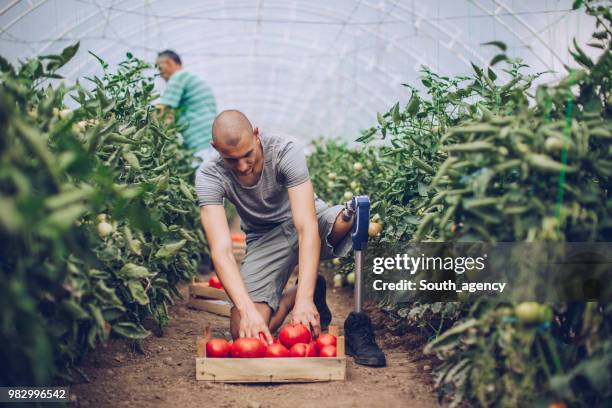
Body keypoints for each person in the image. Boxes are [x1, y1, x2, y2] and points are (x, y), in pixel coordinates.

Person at [195, 110, 386, 366]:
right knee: (244, 331)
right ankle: (297, 293)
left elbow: (306, 227)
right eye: (232, 160)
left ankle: (316, 290)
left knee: (347, 219)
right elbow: (221, 251)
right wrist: (247, 310)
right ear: (215, 148)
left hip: (308, 219)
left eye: (247, 154)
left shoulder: (285, 150)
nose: (242, 166)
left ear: (256, 134)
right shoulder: (209, 175)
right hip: (265, 238)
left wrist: (306, 304)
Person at [156, 50, 217, 163]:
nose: (160, 74)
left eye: (160, 68)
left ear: (169, 63)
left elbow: (163, 110)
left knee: (205, 178)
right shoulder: (193, 78)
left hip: (200, 145)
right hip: (213, 141)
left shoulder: (178, 77)